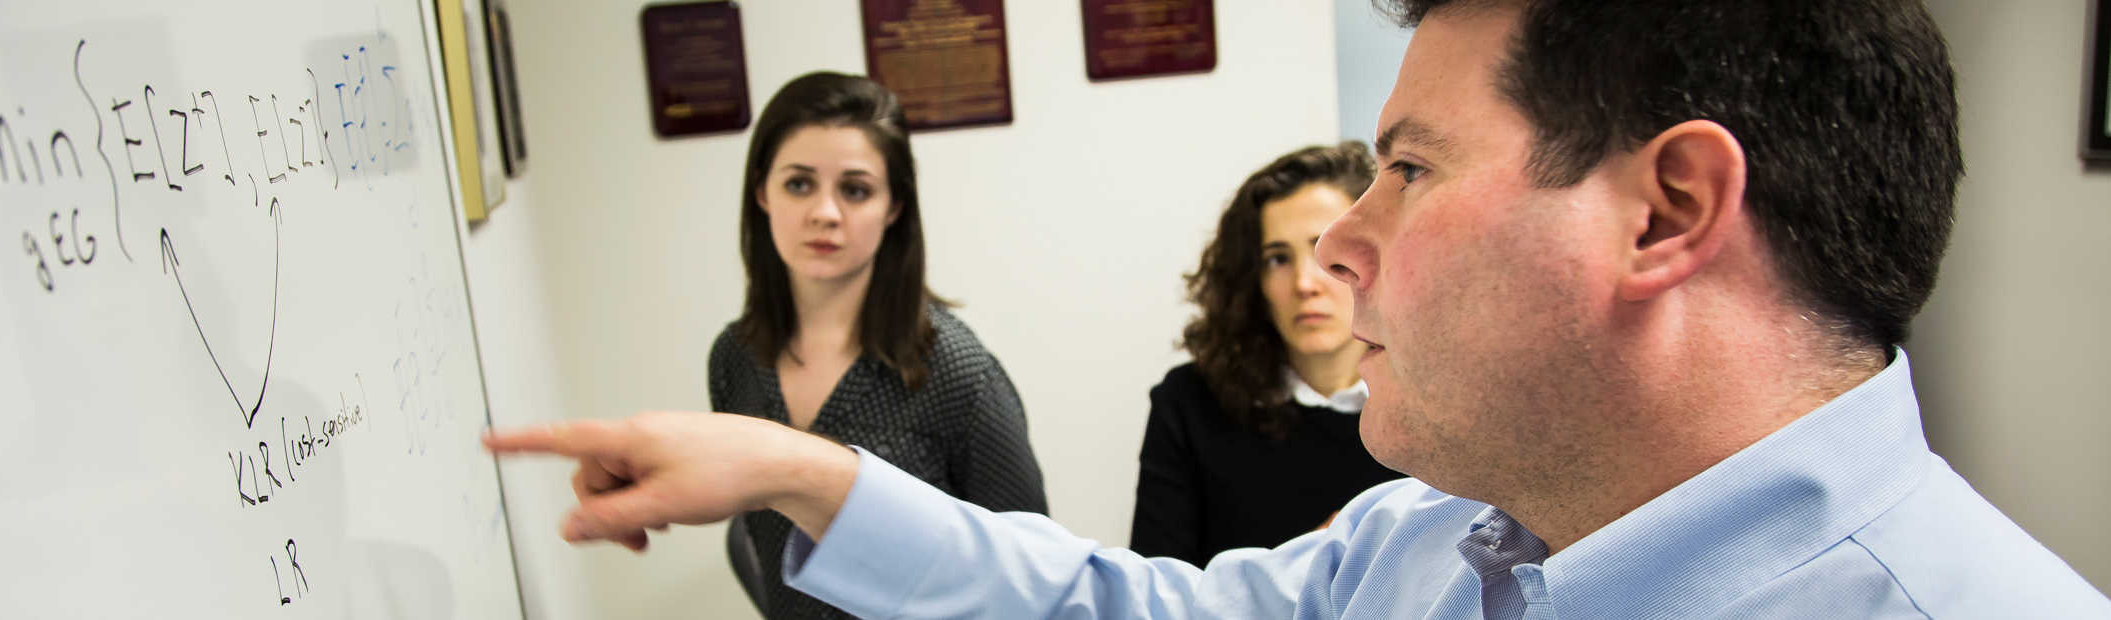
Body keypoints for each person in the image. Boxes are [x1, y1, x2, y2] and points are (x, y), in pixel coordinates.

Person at [488, 1, 2111, 617]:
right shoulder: (1426, 547)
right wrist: (799, 472)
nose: (1337, 254)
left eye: (1405, 167)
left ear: (1666, 213)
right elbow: (1121, 609)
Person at [702, 71, 1047, 619]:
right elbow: (759, 543)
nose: (825, 212)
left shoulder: (958, 372)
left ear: (893, 207)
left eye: (855, 189)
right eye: (799, 183)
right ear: (762, 191)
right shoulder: (735, 359)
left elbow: (1033, 573)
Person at [1131, 142, 1406, 567]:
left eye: (1324, 251)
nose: (1303, 283)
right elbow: (1156, 595)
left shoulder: (1433, 397)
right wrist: (1297, 571)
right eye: (1277, 259)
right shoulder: (1188, 404)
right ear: (1251, 280)